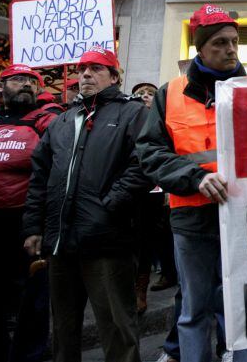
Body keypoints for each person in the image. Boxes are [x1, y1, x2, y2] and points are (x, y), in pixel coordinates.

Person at [137, 4, 247, 362]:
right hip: (192, 221)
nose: (231, 50)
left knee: (246, 308)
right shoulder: (169, 94)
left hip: (246, 218)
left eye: (234, 42)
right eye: (220, 43)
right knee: (194, 310)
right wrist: (195, 178)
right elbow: (149, 153)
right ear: (200, 49)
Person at [22, 47, 150, 362]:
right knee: (64, 331)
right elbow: (40, 177)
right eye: (82, 69)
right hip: (60, 243)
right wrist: (34, 227)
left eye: (96, 68)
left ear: (115, 76)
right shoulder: (63, 121)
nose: (86, 75)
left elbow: (144, 165)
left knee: (117, 329)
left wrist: (110, 206)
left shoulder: (132, 113)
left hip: (107, 240)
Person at [0, 64, 57, 362]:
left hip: (24, 222)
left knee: (30, 299)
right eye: (18, 80)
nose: (26, 85)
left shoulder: (46, 122)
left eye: (32, 81)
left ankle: (29, 356)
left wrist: (39, 224)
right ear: (0, 87)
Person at [131, 81, 176, 314]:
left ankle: (161, 277)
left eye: (150, 93)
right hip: (135, 189)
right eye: (140, 94)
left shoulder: (166, 119)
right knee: (138, 239)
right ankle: (137, 287)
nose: (145, 96)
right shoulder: (128, 119)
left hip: (160, 190)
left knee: (158, 236)